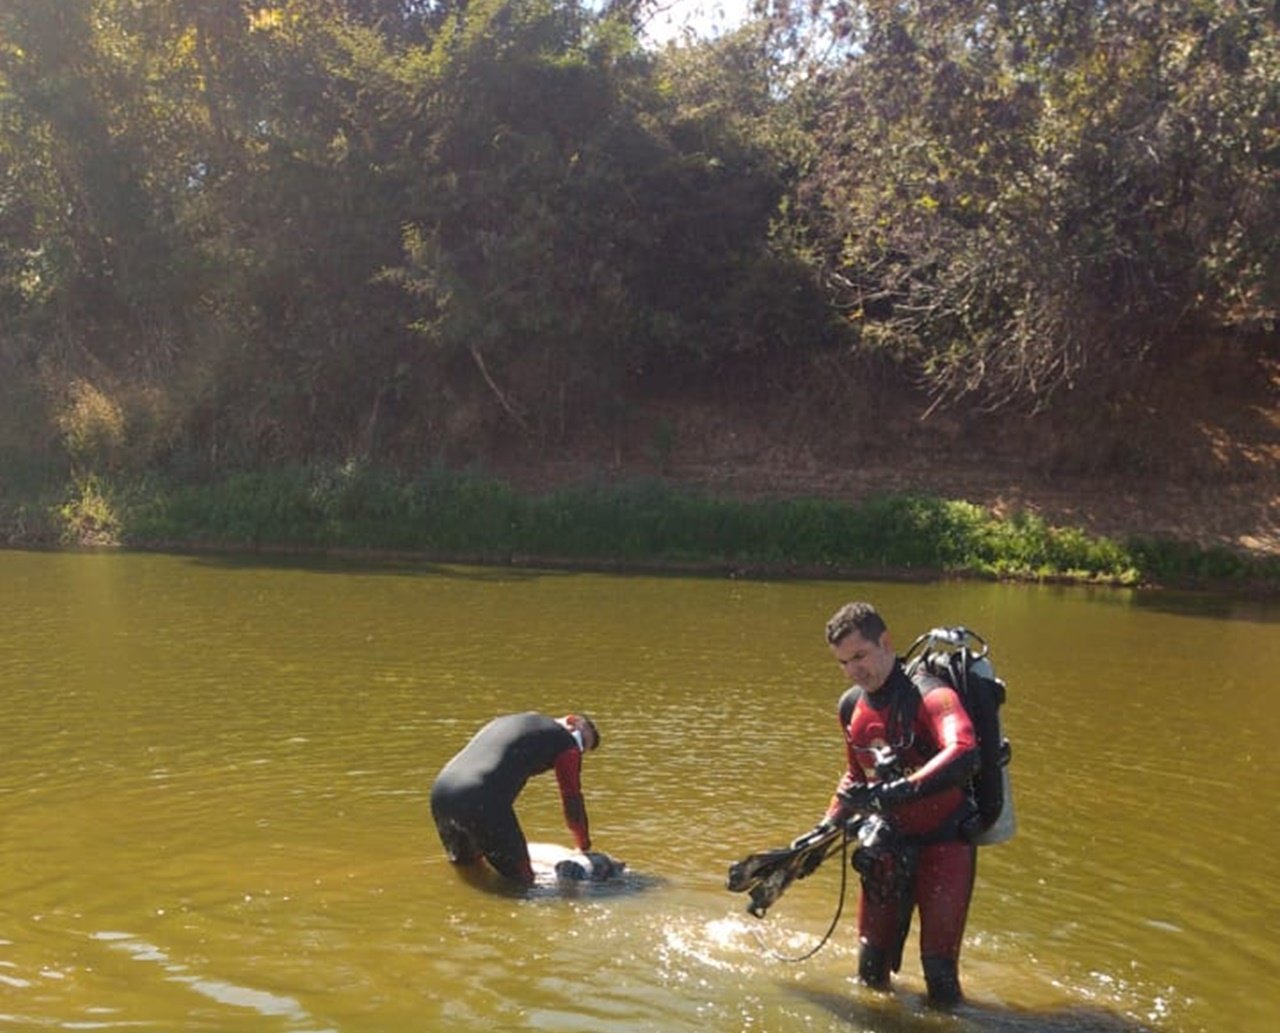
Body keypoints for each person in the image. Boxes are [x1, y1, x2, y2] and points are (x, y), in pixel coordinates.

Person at [816, 602, 980, 1007]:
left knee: (940, 979)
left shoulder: (930, 693)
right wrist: (822, 830)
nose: (855, 670)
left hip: (945, 844)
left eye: (860, 656)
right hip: (887, 844)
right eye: (843, 663)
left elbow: (963, 748)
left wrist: (897, 791)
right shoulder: (851, 707)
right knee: (869, 972)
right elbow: (856, 777)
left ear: (885, 643)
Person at [430, 711, 600, 885]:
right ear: (572, 721)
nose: (577, 750)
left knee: (468, 868)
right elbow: (571, 798)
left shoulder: (508, 722)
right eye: (581, 741)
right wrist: (583, 847)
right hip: (480, 799)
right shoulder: (566, 743)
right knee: (523, 883)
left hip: (441, 794)